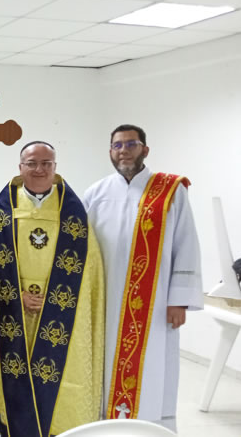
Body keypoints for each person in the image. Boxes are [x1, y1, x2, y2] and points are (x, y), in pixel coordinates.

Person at [0, 141, 105, 436]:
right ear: (20, 167)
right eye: (32, 163)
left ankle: (56, 426)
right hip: (12, 306)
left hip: (59, 307)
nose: (39, 169)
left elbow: (88, 268)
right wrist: (16, 296)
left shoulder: (73, 212)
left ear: (55, 167)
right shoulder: (3, 210)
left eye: (46, 163)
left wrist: (55, 299)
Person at [84, 125, 203, 430]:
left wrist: (179, 300)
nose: (123, 150)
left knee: (153, 368)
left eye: (131, 144)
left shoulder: (170, 191)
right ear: (110, 151)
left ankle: (150, 429)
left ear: (145, 150)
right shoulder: (95, 194)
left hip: (153, 304)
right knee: (104, 366)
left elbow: (186, 244)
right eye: (117, 145)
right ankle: (105, 428)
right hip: (105, 301)